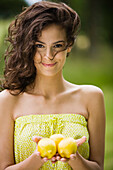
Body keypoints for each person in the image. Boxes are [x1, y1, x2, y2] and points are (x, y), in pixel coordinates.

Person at [0, 1, 105, 170]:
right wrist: (38, 158)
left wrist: (74, 158)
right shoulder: (7, 100)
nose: (48, 56)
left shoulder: (92, 97)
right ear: (29, 48)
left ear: (69, 46)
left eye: (57, 46)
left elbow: (98, 167)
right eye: (40, 46)